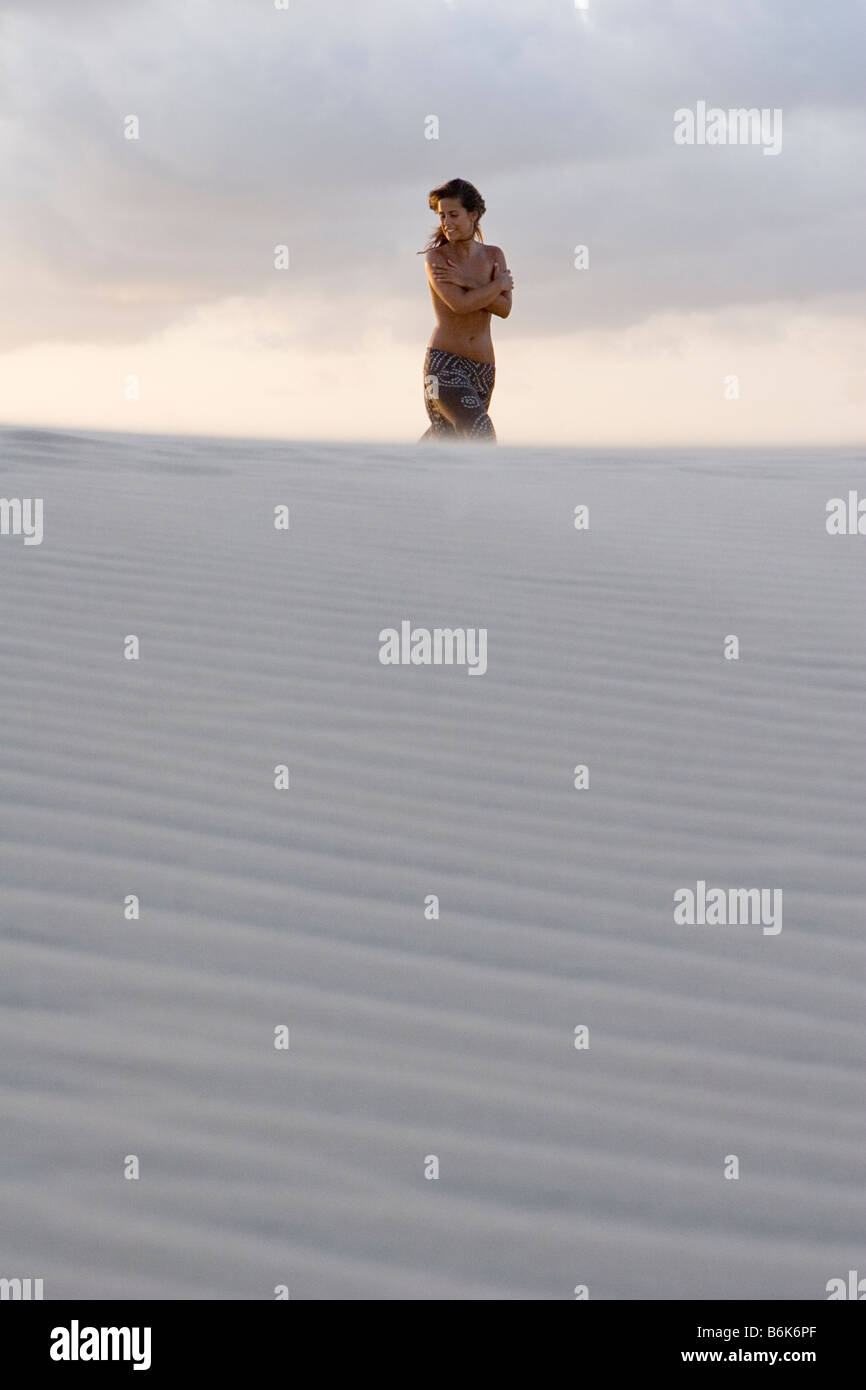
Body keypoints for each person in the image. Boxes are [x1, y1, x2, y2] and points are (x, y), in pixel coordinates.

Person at [418, 178, 513, 442]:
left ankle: (404, 476)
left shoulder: (494, 255)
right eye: (442, 216)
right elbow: (460, 305)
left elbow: (505, 309)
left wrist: (469, 282)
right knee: (479, 431)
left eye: (453, 214)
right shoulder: (438, 259)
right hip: (444, 365)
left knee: (448, 441)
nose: (446, 222)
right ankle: (488, 484)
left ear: (473, 215)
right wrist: (497, 285)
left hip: (484, 370)